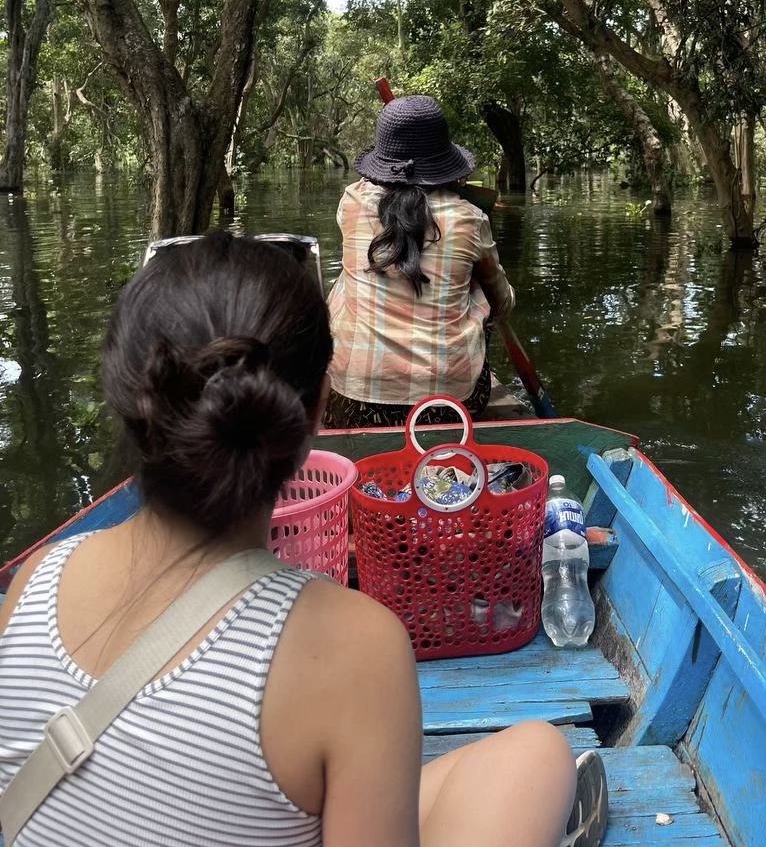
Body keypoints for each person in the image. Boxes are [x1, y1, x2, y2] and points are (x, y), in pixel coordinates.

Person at [0, 232, 607, 847]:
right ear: (319, 406)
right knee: (540, 755)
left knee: (529, 757)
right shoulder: (355, 646)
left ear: (126, 395)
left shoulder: (32, 582)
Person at [326, 94, 514, 427]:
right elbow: (503, 304)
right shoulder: (469, 218)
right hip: (448, 406)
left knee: (344, 282)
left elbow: (390, 197)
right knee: (480, 291)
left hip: (353, 402)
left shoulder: (351, 203)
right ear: (446, 164)